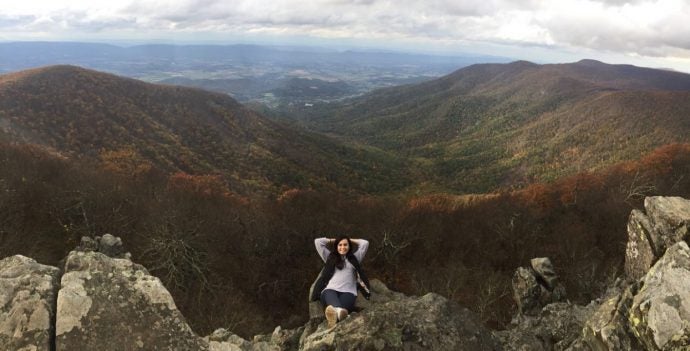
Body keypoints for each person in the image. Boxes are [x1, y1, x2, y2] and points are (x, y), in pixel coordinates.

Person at [310, 235, 371, 329]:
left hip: (349, 292)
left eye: (345, 245)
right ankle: (338, 312)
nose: (343, 247)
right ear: (336, 246)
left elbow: (365, 243)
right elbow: (318, 242)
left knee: (341, 311)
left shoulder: (355, 258)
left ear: (349, 246)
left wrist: (349, 239)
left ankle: (335, 316)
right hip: (330, 291)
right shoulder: (330, 257)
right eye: (340, 245)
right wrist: (335, 240)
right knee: (341, 310)